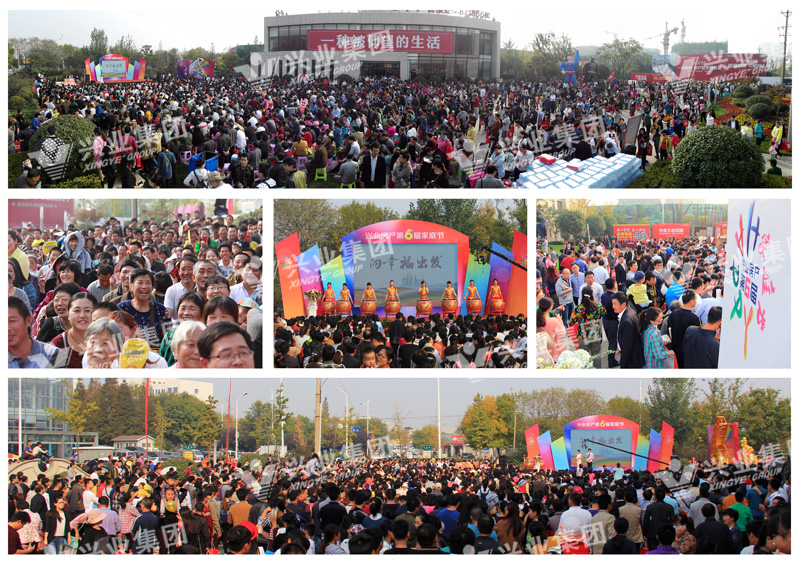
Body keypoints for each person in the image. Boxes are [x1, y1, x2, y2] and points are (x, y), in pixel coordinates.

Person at [668, 289, 701, 368]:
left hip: (675, 348)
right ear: (691, 301)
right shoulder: (695, 318)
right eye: (695, 299)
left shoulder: (673, 313)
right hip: (688, 351)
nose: (696, 301)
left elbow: (669, 328)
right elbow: (697, 336)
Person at [612, 292, 644, 369]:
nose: (613, 306)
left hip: (631, 361)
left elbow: (627, 346)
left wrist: (623, 364)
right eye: (612, 304)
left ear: (623, 304)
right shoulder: (630, 312)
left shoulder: (627, 321)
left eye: (615, 304)